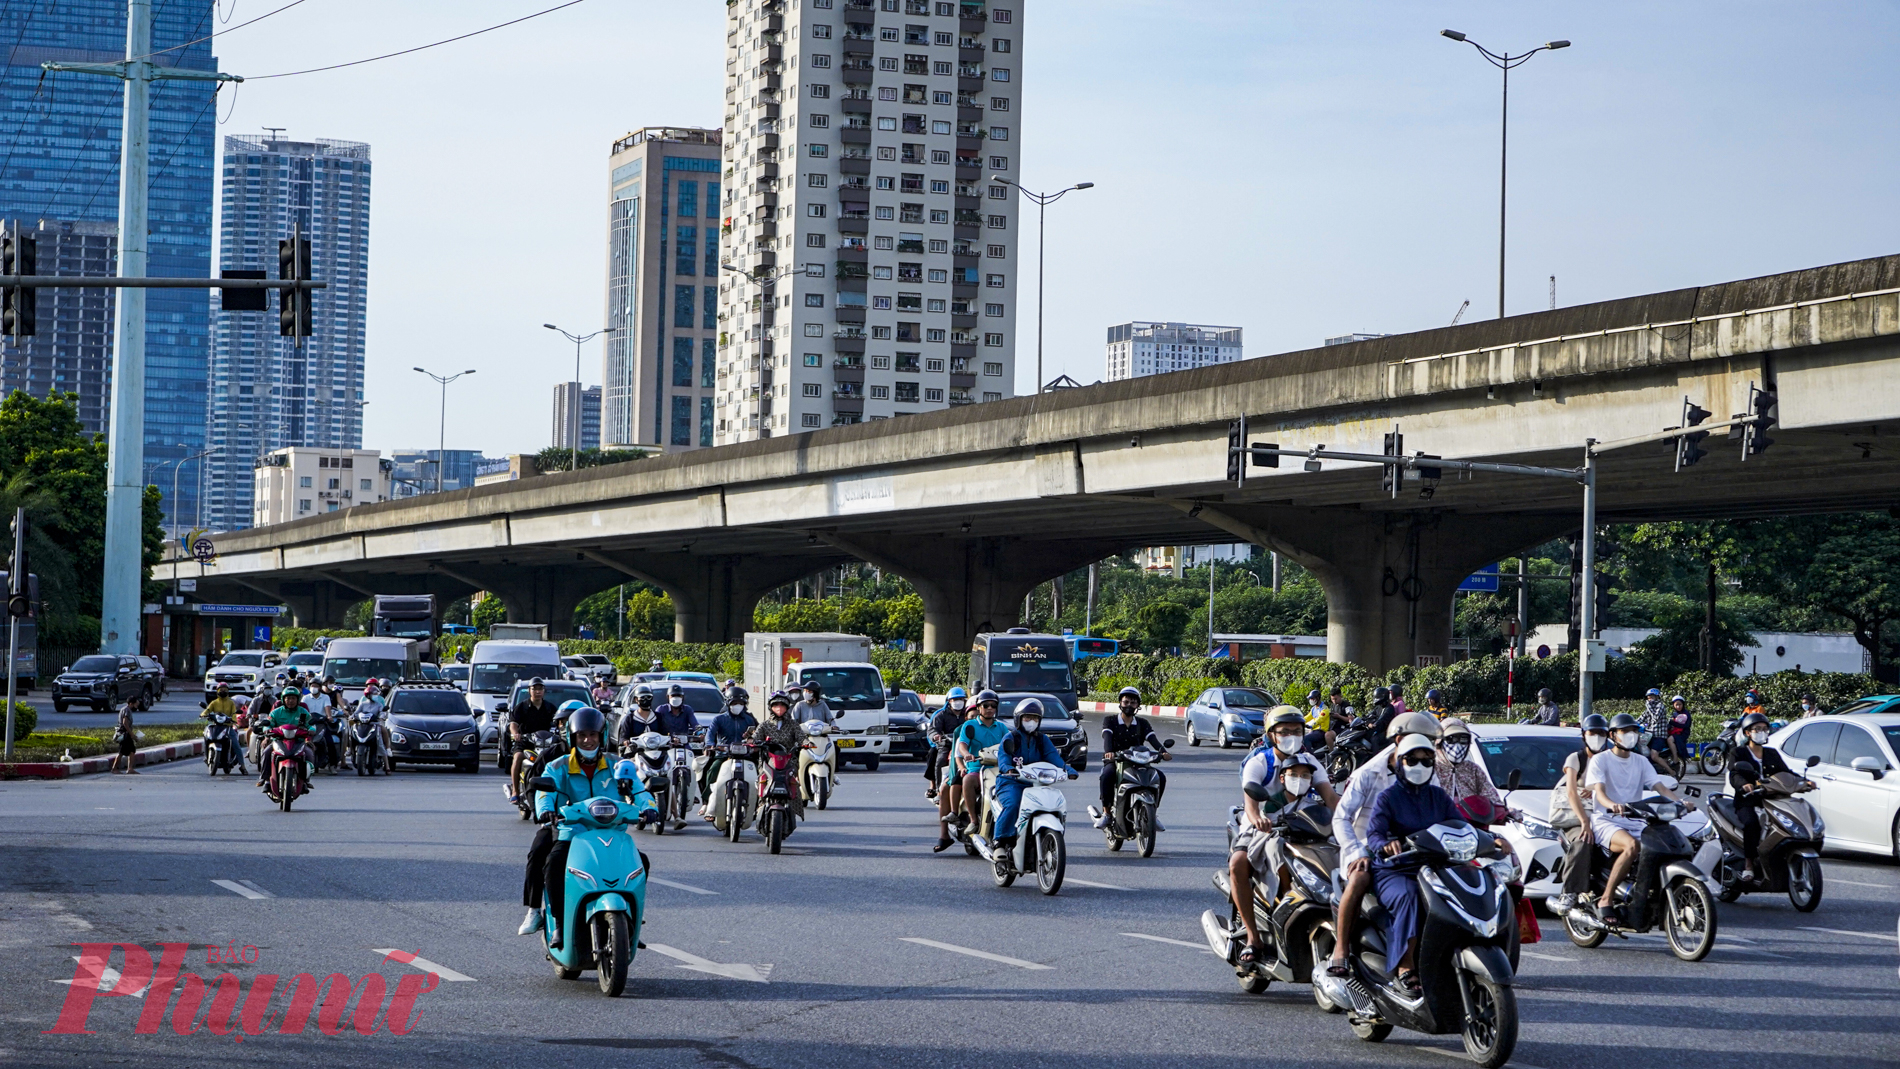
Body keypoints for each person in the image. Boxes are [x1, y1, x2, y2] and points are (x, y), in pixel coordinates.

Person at [518, 706, 654, 946]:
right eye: (582, 735)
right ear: (573, 737)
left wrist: (649, 807)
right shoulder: (558, 766)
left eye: (593, 735)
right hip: (572, 833)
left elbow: (638, 788)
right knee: (553, 863)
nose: (587, 740)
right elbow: (543, 791)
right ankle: (559, 923)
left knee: (640, 862)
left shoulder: (618, 764)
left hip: (612, 832)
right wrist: (546, 810)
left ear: (602, 736)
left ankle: (632, 921)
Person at [1325, 710, 1442, 977]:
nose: (1424, 752)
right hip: (1367, 845)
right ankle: (1341, 949)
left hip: (1414, 850)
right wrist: (1356, 851)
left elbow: (1444, 812)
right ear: (1399, 740)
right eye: (1419, 741)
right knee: (1359, 878)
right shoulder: (1368, 773)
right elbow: (1342, 817)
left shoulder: (1427, 772)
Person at [1227, 707, 1340, 965]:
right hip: (1261, 828)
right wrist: (1258, 819)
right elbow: (1252, 806)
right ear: (1272, 735)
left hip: (1305, 826)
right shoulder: (1259, 762)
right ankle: (1253, 937)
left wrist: (1355, 816)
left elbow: (1331, 798)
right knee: (1238, 864)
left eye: (1297, 731)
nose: (1292, 736)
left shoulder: (1310, 762)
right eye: (1285, 731)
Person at [1366, 734, 1470, 996]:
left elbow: (1461, 826)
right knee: (1410, 896)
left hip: (1434, 867)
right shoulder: (1387, 797)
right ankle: (1405, 966)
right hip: (1396, 869)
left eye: (1427, 761)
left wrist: (1491, 839)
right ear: (1400, 763)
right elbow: (1374, 834)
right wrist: (1386, 845)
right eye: (1413, 760)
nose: (1420, 766)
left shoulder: (1439, 796)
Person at [1586, 712, 1697, 923]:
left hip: (1636, 820)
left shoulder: (1641, 761)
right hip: (1606, 820)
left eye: (1635, 731)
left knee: (1663, 845)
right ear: (1613, 735)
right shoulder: (1601, 760)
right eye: (1625, 731)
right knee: (1631, 847)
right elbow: (1599, 792)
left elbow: (1660, 787)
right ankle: (1606, 900)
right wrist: (1612, 805)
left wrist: (1680, 803)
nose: (1631, 735)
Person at [1727, 711, 1809, 885]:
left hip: (1773, 799)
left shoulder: (1772, 753)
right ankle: (1749, 864)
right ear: (1748, 732)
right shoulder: (1738, 752)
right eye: (1757, 729)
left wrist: (1803, 782)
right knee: (1752, 824)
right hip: (1748, 799)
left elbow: (1786, 772)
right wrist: (1744, 785)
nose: (1761, 732)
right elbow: (1734, 774)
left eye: (1765, 729)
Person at [988, 698, 1079, 852]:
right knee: (1014, 804)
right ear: (1019, 719)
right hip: (1011, 781)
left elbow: (1053, 757)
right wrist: (1009, 768)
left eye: (1035, 718)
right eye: (1027, 718)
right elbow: (1003, 758)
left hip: (1035, 783)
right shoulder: (1011, 738)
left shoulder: (1042, 739)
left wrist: (1067, 769)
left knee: (1052, 802)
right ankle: (1000, 840)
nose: (1031, 722)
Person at [1546, 713, 1612, 918]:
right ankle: (1569, 892)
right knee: (1583, 841)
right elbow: (1572, 791)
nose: (1597, 737)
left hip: (1607, 817)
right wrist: (1584, 821)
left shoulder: (1611, 759)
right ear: (1584, 735)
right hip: (1578, 818)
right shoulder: (1576, 759)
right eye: (1593, 733)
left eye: (1602, 733)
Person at [1090, 686, 1172, 830]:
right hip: (1117, 760)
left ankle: (1153, 814)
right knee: (1107, 775)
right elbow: (1107, 737)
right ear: (1120, 703)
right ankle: (1107, 813)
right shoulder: (1110, 721)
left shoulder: (1142, 723)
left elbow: (1153, 740)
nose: (1129, 705)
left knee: (1160, 777)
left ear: (1138, 705)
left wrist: (1163, 752)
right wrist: (1109, 752)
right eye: (1126, 702)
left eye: (1133, 703)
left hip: (1138, 762)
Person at [1433, 717, 1518, 821]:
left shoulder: (1473, 769)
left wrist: (1505, 811)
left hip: (1471, 826)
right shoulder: (1432, 768)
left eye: (1463, 740)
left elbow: (1490, 797)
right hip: (1438, 825)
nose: (1458, 745)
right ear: (1439, 742)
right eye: (1451, 739)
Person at [954, 690, 1009, 835]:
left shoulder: (1002, 727)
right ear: (979, 708)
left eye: (993, 705)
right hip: (978, 768)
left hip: (999, 769)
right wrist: (966, 754)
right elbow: (962, 745)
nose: (989, 708)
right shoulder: (970, 726)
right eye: (986, 705)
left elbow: (1011, 745)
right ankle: (973, 820)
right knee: (967, 781)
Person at [747, 691, 809, 818]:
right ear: (771, 707)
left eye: (782, 705)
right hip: (768, 760)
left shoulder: (793, 724)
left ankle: (792, 811)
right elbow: (755, 738)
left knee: (794, 785)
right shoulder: (764, 725)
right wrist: (752, 742)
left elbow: (802, 737)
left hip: (788, 760)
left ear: (787, 707)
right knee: (761, 781)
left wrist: (807, 743)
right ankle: (758, 808)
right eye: (776, 705)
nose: (779, 708)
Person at [699, 689, 757, 817]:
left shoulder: (750, 720)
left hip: (745, 757)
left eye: (740, 703)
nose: (738, 705)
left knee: (758, 773)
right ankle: (707, 801)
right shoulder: (719, 719)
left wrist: (755, 742)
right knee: (712, 770)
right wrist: (710, 745)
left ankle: (758, 804)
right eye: (734, 702)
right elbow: (710, 734)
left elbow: (758, 735)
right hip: (724, 756)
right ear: (728, 703)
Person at [929, 688, 972, 850]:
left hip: (982, 768)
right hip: (948, 746)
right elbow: (958, 754)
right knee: (946, 781)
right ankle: (944, 833)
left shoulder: (998, 728)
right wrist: (937, 737)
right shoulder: (943, 717)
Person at [508, 678, 557, 802]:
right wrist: (516, 734)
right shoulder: (522, 707)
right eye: (534, 689)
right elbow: (513, 724)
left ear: (544, 691)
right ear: (529, 690)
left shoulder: (549, 707)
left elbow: (560, 723)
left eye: (540, 689)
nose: (537, 691)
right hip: (526, 742)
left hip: (546, 742)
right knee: (518, 756)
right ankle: (515, 790)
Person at [256, 686, 313, 790]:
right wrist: (267, 730)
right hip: (278, 741)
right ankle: (266, 779)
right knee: (267, 752)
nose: (290, 701)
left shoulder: (303, 712)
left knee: (309, 753)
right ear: (283, 699)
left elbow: (310, 724)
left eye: (293, 698)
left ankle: (305, 780)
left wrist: (311, 729)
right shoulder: (276, 712)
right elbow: (268, 723)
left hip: (298, 741)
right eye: (288, 698)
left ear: (298, 699)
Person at [925, 687, 968, 799]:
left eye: (961, 699)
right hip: (946, 743)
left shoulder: (968, 714)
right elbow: (932, 729)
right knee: (940, 760)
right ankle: (939, 790)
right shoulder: (941, 715)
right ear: (949, 701)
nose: (958, 702)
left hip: (965, 743)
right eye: (955, 699)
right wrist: (936, 736)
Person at [201, 684, 247, 776]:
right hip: (216, 725)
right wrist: (203, 714)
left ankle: (242, 766)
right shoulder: (214, 702)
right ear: (217, 691)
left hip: (228, 726)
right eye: (220, 689)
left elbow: (234, 713)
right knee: (206, 735)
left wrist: (234, 719)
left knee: (236, 745)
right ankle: (206, 756)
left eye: (225, 689)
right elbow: (207, 710)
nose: (223, 691)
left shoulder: (231, 703)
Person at [1640, 688, 1675, 775]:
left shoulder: (1660, 706)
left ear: (1657, 697)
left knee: (1654, 755)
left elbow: (1656, 718)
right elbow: (1641, 718)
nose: (1650, 699)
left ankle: (1671, 771)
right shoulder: (1649, 708)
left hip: (1659, 736)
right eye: (1648, 697)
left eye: (1652, 697)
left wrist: (1648, 706)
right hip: (1650, 735)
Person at [110, 694, 142, 774]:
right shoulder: (127, 710)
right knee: (121, 752)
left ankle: (129, 768)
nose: (136, 707)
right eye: (135, 705)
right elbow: (125, 723)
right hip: (124, 734)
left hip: (126, 733)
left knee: (131, 750)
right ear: (131, 703)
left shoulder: (126, 709)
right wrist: (132, 735)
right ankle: (115, 768)